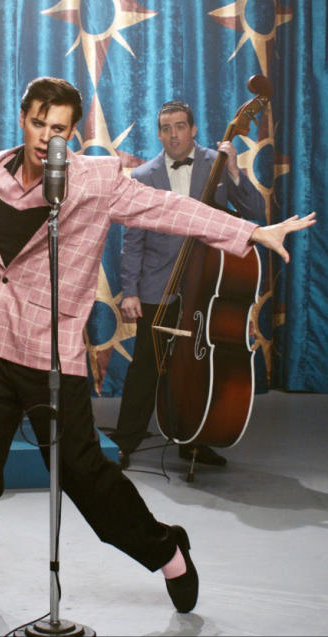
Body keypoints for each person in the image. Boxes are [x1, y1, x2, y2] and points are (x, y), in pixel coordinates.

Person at [0, 76, 315, 626]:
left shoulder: (93, 182)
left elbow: (165, 208)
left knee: (85, 479)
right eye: (38, 122)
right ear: (22, 117)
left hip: (53, 355)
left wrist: (247, 231)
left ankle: (167, 550)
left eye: (59, 129)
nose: (45, 136)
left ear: (71, 134)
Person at [112, 100, 267, 469]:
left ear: (193, 129)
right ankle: (125, 442)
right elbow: (133, 239)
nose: (173, 134)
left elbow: (256, 215)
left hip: (208, 287)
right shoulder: (144, 175)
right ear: (159, 133)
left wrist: (233, 173)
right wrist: (130, 290)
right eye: (166, 128)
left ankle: (193, 438)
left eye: (180, 126)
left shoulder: (217, 162)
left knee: (198, 368)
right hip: (157, 286)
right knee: (147, 366)